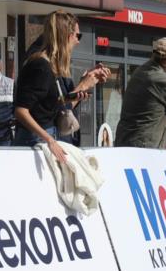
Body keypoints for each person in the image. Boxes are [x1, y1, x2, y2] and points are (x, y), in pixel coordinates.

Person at [13, 11, 106, 163]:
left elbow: (50, 106)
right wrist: (49, 140)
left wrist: (78, 91)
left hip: (44, 138)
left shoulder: (50, 64)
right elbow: (21, 111)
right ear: (67, 35)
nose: (78, 41)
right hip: (35, 141)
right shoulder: (40, 65)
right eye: (78, 35)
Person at [115, 37, 166, 157]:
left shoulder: (141, 71)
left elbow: (158, 119)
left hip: (130, 145)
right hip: (143, 151)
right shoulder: (161, 79)